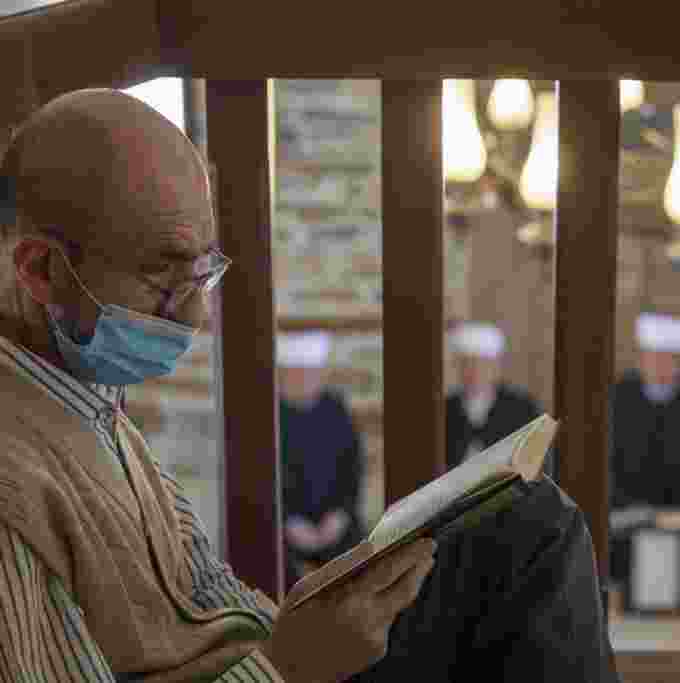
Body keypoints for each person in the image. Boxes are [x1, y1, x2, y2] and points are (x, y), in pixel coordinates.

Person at [0, 89, 619, 682]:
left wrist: (321, 612)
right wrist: (290, 666)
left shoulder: (90, 405)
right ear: (42, 269)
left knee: (519, 520)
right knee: (532, 541)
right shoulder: (15, 486)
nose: (194, 317)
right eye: (164, 279)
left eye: (202, 274)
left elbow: (208, 599)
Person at [608, 313, 680, 590]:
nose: (659, 364)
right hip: (626, 507)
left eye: (668, 357)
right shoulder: (617, 397)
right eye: (652, 356)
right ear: (641, 358)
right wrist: (628, 504)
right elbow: (607, 462)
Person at [277, 330, 366, 591]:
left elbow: (354, 470)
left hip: (335, 524)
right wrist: (287, 521)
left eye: (310, 373)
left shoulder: (336, 410)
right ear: (283, 375)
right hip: (285, 527)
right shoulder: (269, 414)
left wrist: (340, 514)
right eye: (296, 373)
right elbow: (257, 479)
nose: (304, 380)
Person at [445, 321, 555, 477]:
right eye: (467, 364)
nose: (474, 371)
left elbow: (539, 464)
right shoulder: (446, 408)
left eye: (482, 364)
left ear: (496, 366)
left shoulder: (523, 408)